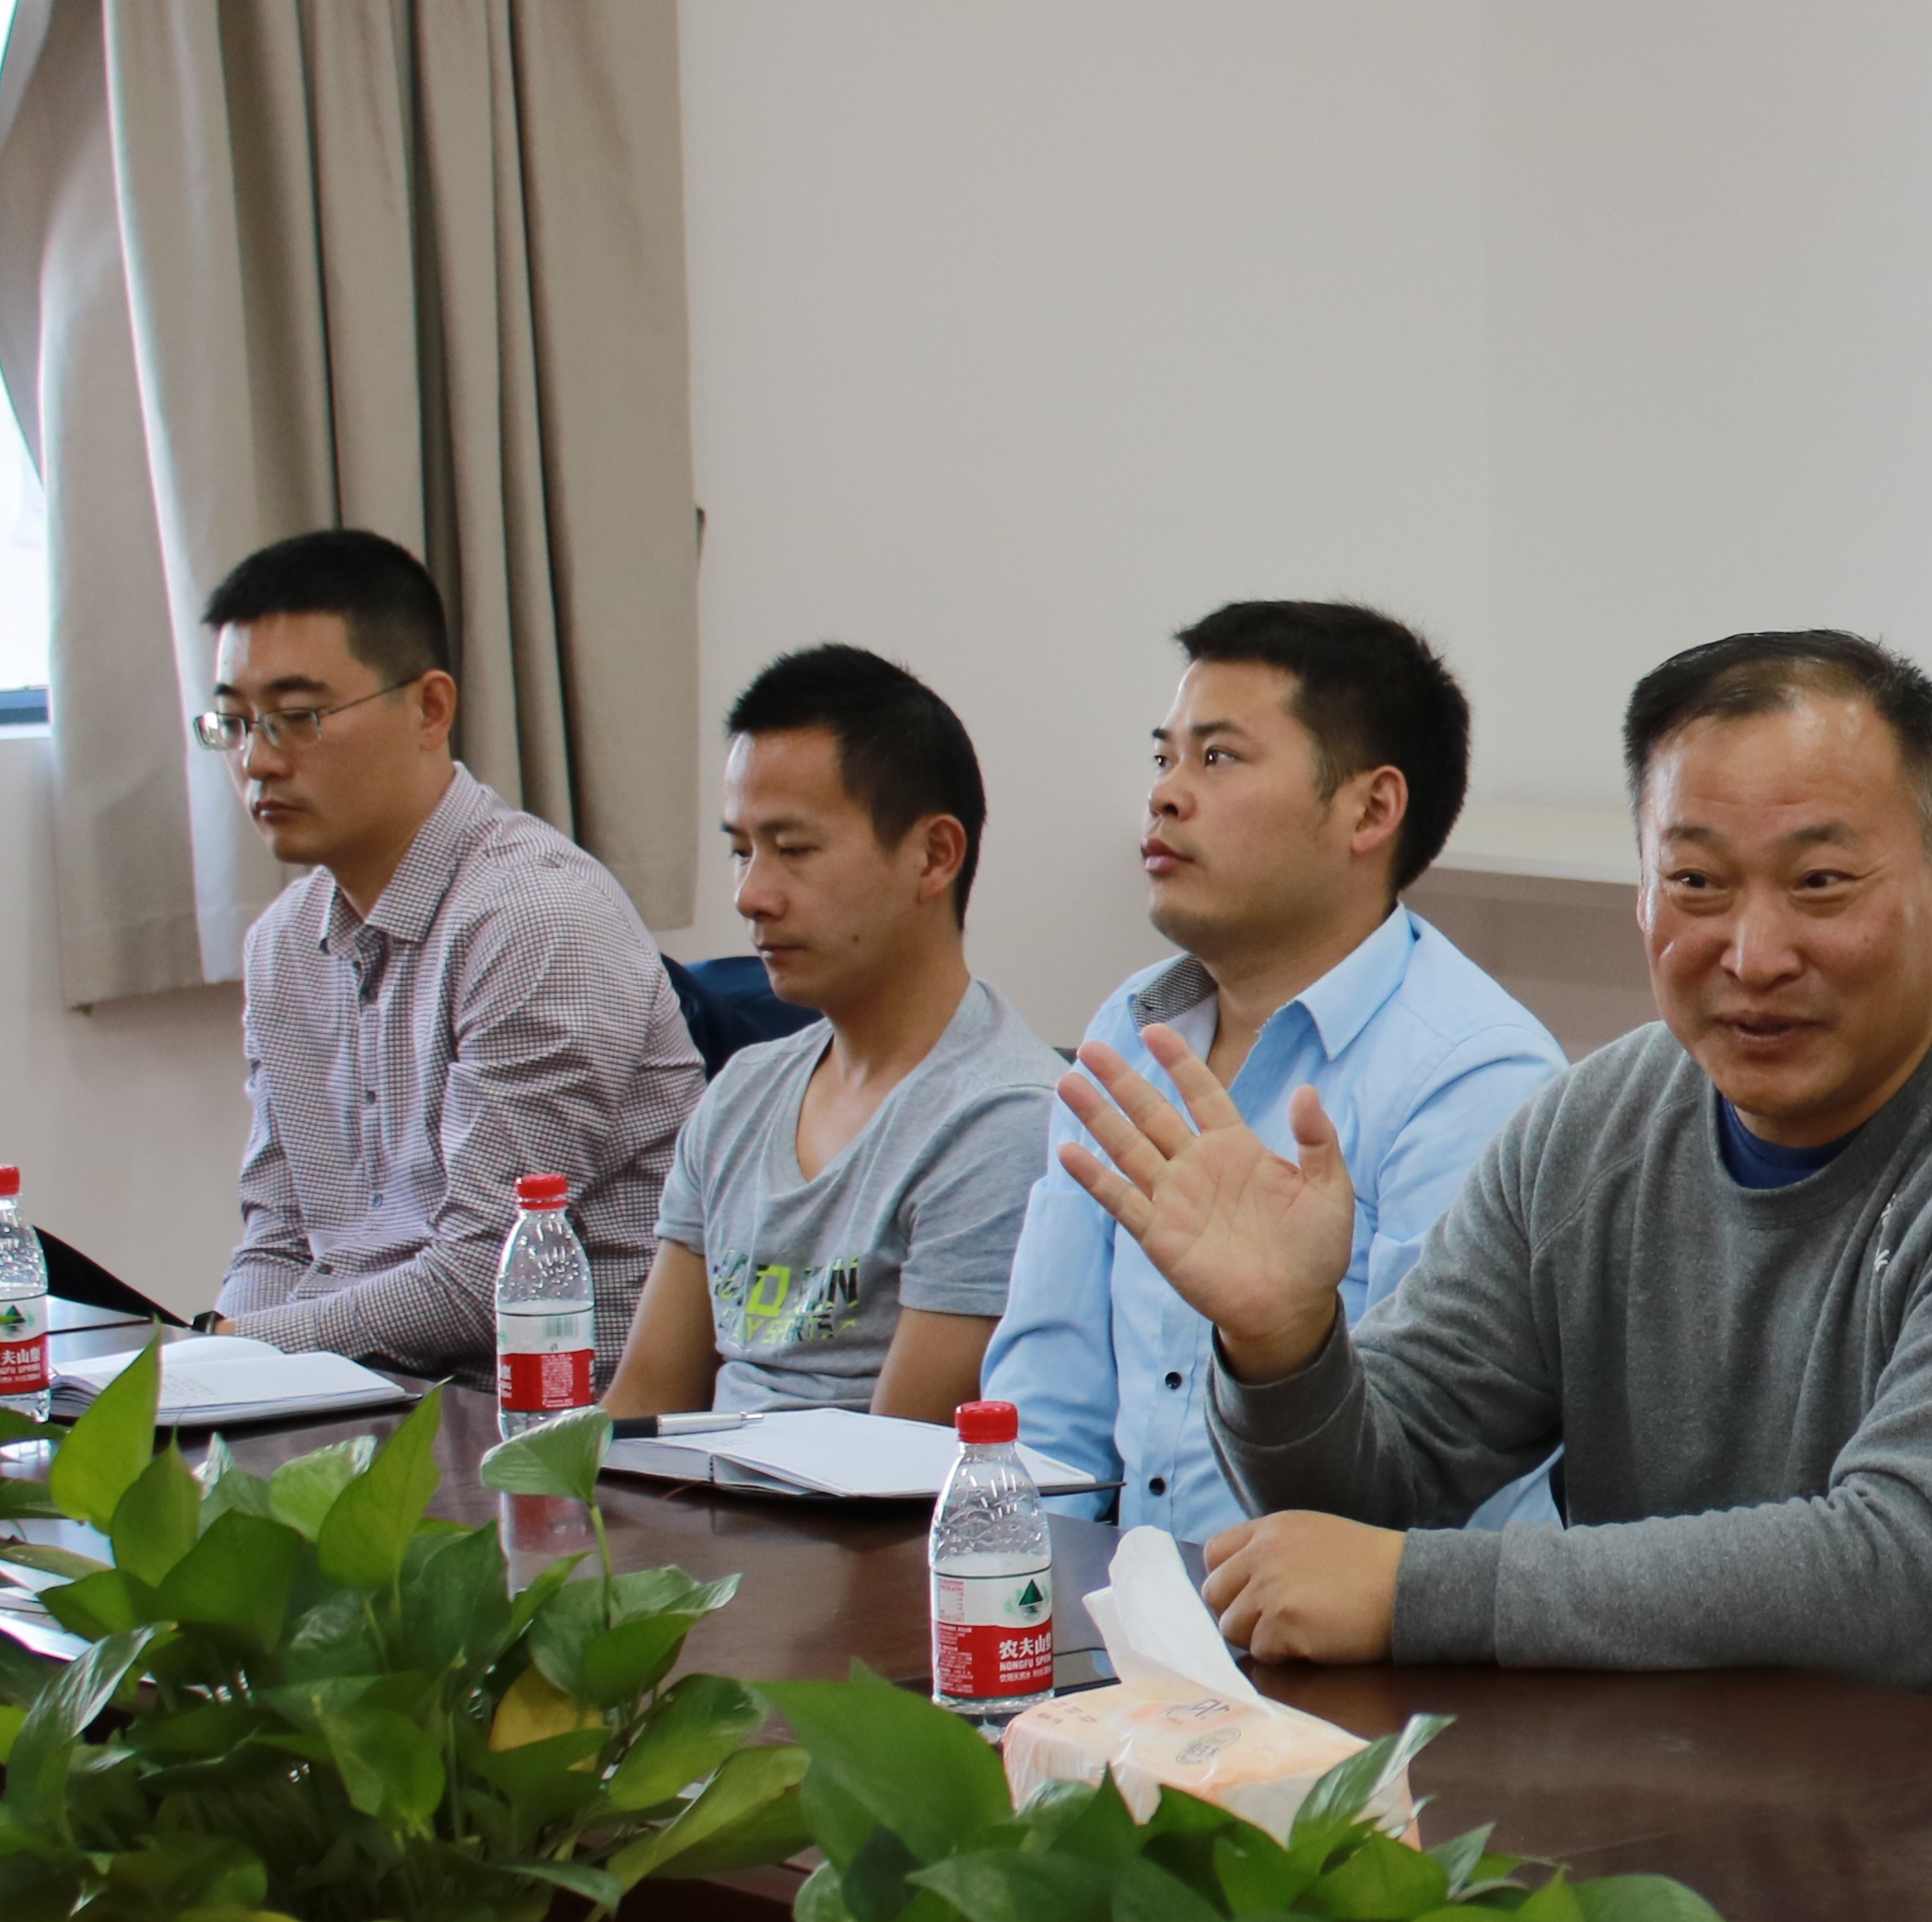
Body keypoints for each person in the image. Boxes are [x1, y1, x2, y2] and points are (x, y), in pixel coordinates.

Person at [1051, 629, 1932, 1750]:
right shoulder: (1591, 1131)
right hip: (1716, 1794)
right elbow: (1384, 1496)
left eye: (1821, 882)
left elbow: (1896, 1576)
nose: (1754, 953)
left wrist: (1423, 1590)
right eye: (1695, 882)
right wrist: (1285, 1346)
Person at [980, 602, 1564, 1536]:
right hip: (1118, 1605)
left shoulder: (1476, 1073)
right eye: (1164, 758)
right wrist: (1022, 1586)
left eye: (1218, 757)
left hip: (1351, 1611)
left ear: (1370, 809)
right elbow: (1050, 1398)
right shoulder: (1132, 1029)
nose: (1166, 796)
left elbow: (1433, 1479)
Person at [203, 530, 699, 1374]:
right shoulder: (282, 945)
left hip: (551, 1412)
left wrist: (228, 1352)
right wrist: (218, 1379)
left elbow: (482, 1277)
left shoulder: (535, 919)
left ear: (430, 709)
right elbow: (278, 1240)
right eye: (235, 723)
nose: (257, 761)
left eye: (297, 718)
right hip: (356, 1393)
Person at [603, 647, 1062, 1424]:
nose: (751, 894)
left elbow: (898, 1466)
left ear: (933, 855)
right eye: (742, 850)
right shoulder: (743, 1091)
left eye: (794, 850)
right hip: (687, 1493)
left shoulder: (1004, 1120)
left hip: (852, 1505)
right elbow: (643, 1403)